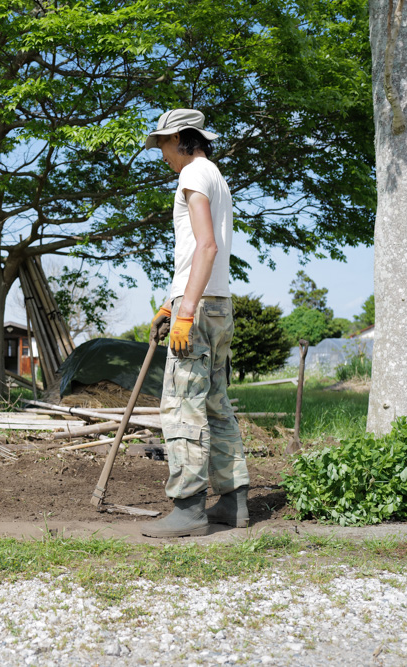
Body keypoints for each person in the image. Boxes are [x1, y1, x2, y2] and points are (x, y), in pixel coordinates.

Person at [140, 108, 250, 538]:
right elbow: (197, 254)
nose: (162, 153)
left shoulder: (192, 176)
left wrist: (185, 312)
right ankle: (234, 501)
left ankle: (188, 509)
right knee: (216, 403)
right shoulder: (215, 176)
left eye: (164, 144)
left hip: (200, 307)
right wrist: (171, 304)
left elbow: (206, 246)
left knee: (183, 406)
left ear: (184, 139)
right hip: (218, 303)